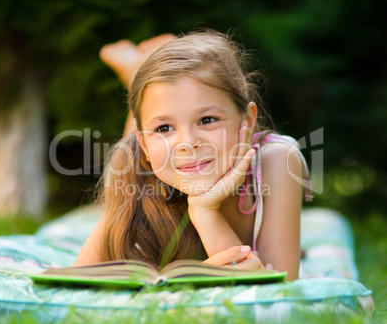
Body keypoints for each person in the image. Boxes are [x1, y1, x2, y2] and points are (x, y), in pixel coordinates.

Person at [74, 30, 313, 281]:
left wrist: (205, 211)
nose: (188, 144)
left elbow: (278, 294)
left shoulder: (277, 160)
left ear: (248, 120)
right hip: (147, 156)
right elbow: (74, 280)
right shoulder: (140, 162)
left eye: (207, 120)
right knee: (142, 143)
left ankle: (142, 78)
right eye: (164, 128)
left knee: (158, 116)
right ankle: (138, 75)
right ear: (143, 143)